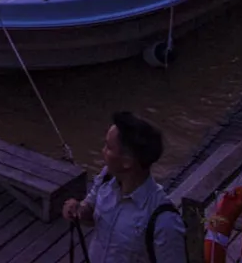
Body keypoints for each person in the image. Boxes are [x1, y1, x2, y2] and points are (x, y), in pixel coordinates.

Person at [61, 111, 184, 263]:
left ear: (127, 162)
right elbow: (90, 212)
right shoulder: (106, 178)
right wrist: (78, 210)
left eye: (108, 147)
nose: (102, 151)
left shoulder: (164, 221)